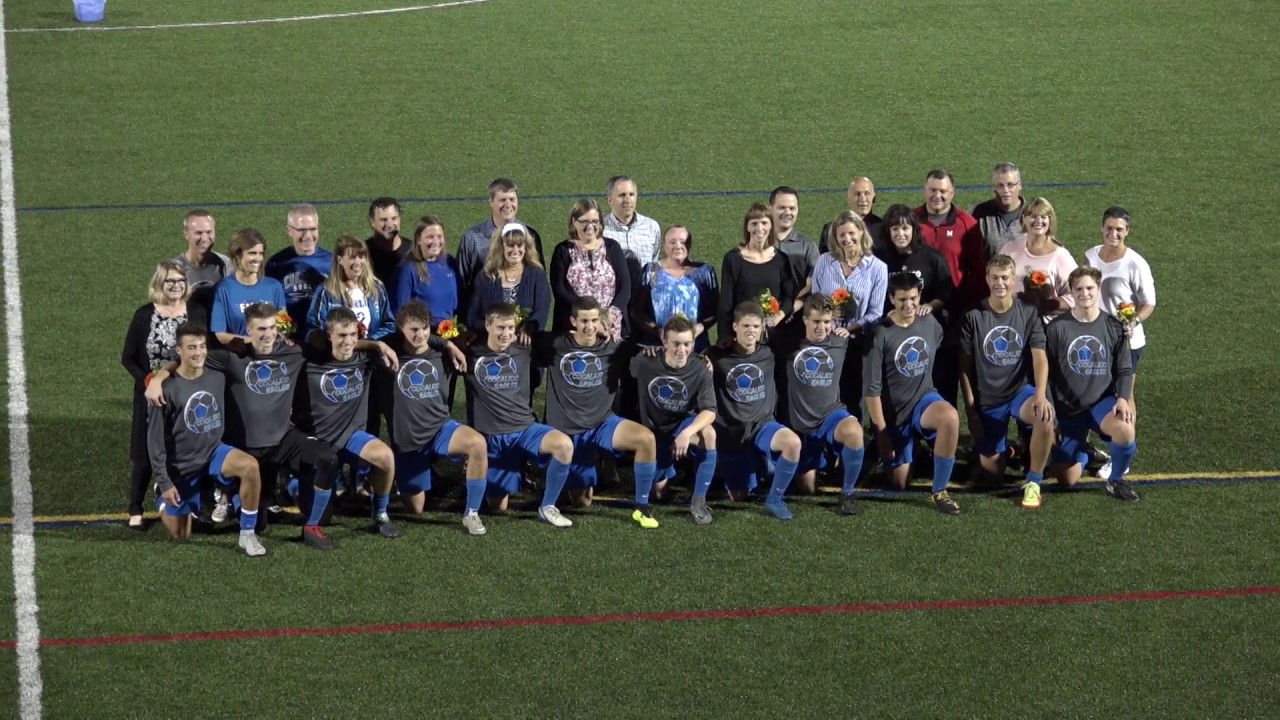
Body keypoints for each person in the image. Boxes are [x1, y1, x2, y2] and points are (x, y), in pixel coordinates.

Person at [149, 303, 341, 549]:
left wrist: (378, 344)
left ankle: (311, 525)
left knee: (328, 459)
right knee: (246, 524)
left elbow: (339, 348)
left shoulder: (293, 352)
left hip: (282, 440)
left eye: (272, 328)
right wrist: (159, 377)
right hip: (246, 446)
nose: (267, 334)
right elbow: (189, 359)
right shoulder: (231, 358)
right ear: (247, 330)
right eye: (260, 329)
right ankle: (226, 491)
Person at [532, 297, 660, 528]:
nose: (589, 327)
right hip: (567, 433)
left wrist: (702, 359)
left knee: (646, 439)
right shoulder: (554, 343)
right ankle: (558, 486)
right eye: (584, 321)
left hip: (602, 425)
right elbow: (517, 340)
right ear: (573, 321)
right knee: (582, 502)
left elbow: (656, 351)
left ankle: (642, 507)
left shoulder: (614, 347)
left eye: (593, 320)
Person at [145, 322, 266, 555]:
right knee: (181, 535)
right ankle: (163, 496)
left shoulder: (217, 375)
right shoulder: (165, 391)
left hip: (213, 453)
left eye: (202, 346)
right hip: (182, 466)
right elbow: (154, 441)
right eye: (191, 347)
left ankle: (247, 535)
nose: (198, 352)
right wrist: (165, 480)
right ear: (178, 351)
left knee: (250, 467)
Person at [458, 302, 575, 527]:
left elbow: (565, 342)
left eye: (511, 328)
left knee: (564, 446)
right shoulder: (470, 352)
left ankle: (548, 506)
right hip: (491, 437)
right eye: (501, 328)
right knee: (498, 507)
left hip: (524, 430)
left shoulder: (526, 348)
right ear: (488, 326)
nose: (506, 333)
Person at [379, 301, 489, 535]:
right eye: (414, 330)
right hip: (409, 442)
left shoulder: (442, 354)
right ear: (401, 329)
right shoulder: (388, 357)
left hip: (440, 429)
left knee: (477, 444)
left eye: (425, 328)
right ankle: (406, 478)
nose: (420, 335)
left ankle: (472, 513)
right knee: (416, 509)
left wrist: (449, 345)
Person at [958, 255, 1055, 510]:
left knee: (1044, 417)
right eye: (994, 278)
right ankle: (1012, 451)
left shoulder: (1028, 312)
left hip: (1019, 392)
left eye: (1004, 278)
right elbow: (964, 369)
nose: (999, 283)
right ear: (987, 279)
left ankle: (1033, 482)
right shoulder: (972, 316)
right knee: (992, 476)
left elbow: (1039, 358)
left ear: (1014, 281)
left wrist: (1041, 395)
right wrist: (971, 411)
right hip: (988, 398)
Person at [294, 307, 402, 537]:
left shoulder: (366, 357)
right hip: (320, 444)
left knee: (385, 457)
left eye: (353, 334)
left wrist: (377, 344)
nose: (349, 341)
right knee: (321, 517)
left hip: (352, 436)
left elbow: (409, 336)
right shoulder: (309, 359)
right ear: (329, 335)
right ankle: (294, 485)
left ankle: (380, 515)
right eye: (342, 335)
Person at [864, 272, 962, 515]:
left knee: (949, 417)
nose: (908, 305)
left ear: (920, 297)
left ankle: (940, 491)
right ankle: (893, 448)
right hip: (895, 414)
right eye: (902, 300)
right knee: (898, 483)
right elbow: (872, 390)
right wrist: (883, 434)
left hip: (924, 401)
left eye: (913, 298)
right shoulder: (880, 334)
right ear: (891, 300)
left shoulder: (930, 323)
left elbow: (937, 346)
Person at [1044, 267, 1139, 501]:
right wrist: (1052, 415)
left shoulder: (1114, 326)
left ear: (1098, 289)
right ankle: (1086, 451)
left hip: (1100, 404)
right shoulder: (1056, 328)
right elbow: (1045, 375)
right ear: (1072, 292)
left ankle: (1116, 480)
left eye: (1089, 288)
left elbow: (1124, 369)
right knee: (1067, 480)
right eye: (1079, 289)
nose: (1084, 293)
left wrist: (1122, 399)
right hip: (1067, 409)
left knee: (1125, 429)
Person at [121, 262, 201, 529]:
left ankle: (193, 499)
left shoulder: (196, 311)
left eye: (180, 280)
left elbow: (202, 349)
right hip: (151, 392)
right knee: (146, 449)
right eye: (169, 281)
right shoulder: (144, 315)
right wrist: (149, 381)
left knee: (187, 443)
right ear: (159, 284)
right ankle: (135, 507)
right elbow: (128, 358)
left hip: (186, 388)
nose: (176, 285)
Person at [707, 302, 803, 519]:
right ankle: (754, 466)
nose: (751, 331)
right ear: (734, 327)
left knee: (793, 443)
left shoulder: (770, 353)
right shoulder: (716, 356)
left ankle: (774, 500)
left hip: (762, 426)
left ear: (762, 328)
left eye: (756, 326)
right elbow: (688, 363)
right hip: (732, 434)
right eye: (746, 326)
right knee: (739, 496)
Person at [778, 295, 866, 513]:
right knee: (807, 490)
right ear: (805, 320)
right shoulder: (788, 344)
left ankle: (847, 494)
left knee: (854, 432)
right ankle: (825, 461)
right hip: (801, 425)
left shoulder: (840, 341)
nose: (822, 327)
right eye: (816, 321)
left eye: (827, 322)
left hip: (830, 416)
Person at [630, 316, 719, 523]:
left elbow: (710, 411)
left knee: (709, 434)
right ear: (664, 340)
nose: (682, 350)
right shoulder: (645, 361)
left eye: (687, 344)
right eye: (676, 344)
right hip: (653, 435)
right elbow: (626, 365)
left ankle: (698, 503)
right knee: (659, 495)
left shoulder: (700, 368)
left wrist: (686, 433)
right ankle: (666, 474)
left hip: (680, 427)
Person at [809, 210, 888, 411]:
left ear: (861, 232)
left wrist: (851, 329)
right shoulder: (825, 261)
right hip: (826, 340)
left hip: (858, 345)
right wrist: (829, 320)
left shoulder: (878, 268)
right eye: (841, 235)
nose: (847, 239)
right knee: (823, 397)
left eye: (851, 233)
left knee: (852, 399)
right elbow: (815, 300)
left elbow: (876, 312)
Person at [1085, 206, 1156, 412]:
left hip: (1126, 340)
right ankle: (1086, 441)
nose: (1113, 234)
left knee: (1124, 394)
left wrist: (1134, 321)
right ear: (1102, 228)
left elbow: (1149, 302)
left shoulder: (1136, 263)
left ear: (1127, 231)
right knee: (1091, 390)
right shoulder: (1090, 256)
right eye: (1109, 228)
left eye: (1119, 229)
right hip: (1096, 336)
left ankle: (1127, 442)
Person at [457, 178, 546, 311]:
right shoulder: (472, 237)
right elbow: (462, 281)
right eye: (502, 200)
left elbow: (539, 279)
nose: (508, 204)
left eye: (512, 199)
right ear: (491, 201)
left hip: (523, 320)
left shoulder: (531, 235)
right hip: (484, 318)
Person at [549, 199, 631, 338]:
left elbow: (625, 287)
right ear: (574, 222)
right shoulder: (562, 250)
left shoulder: (612, 247)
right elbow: (559, 290)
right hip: (574, 326)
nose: (590, 226)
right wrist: (588, 315)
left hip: (610, 325)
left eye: (595, 221)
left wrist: (609, 315)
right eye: (584, 222)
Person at [718, 203, 797, 341]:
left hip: (774, 336)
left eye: (764, 223)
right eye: (754, 223)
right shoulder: (733, 259)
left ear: (771, 226)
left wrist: (779, 315)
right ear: (747, 227)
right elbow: (726, 303)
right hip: (743, 337)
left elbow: (789, 296)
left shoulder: (781, 259)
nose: (759, 228)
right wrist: (726, 337)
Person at [913, 169, 988, 314]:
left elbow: (978, 268)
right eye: (932, 190)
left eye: (943, 191)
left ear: (952, 193)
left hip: (956, 305)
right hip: (917, 305)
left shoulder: (967, 224)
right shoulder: (910, 220)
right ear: (924, 190)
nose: (937, 196)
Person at [631, 225, 718, 351]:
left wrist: (699, 328)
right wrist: (656, 330)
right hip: (657, 347)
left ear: (689, 244)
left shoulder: (704, 272)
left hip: (695, 347)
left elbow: (715, 310)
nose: (678, 246)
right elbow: (637, 310)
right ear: (664, 245)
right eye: (672, 242)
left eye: (683, 242)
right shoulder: (651, 271)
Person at [466, 222, 552, 334]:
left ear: (526, 248)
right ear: (501, 247)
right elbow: (473, 318)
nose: (515, 250)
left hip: (526, 342)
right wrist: (495, 328)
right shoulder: (485, 277)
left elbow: (541, 312)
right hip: (491, 342)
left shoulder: (537, 275)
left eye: (520, 245)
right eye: (510, 245)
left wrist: (528, 330)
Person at [1002, 197, 1077, 320]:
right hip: (1012, 321)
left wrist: (1044, 305)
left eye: (1043, 217)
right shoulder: (1009, 249)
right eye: (1032, 216)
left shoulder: (1060, 255)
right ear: (1023, 219)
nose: (1038, 221)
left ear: (1050, 220)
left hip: (1046, 326)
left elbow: (1077, 295)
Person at [307, 235, 395, 340]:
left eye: (361, 257)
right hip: (338, 352)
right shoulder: (327, 290)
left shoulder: (376, 287)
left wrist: (370, 342)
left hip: (371, 351)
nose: (358, 262)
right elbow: (315, 328)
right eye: (352, 258)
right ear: (340, 260)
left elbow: (389, 324)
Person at [210, 228, 288, 346]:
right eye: (252, 253)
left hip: (270, 351)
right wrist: (254, 341)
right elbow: (220, 334)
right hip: (240, 354)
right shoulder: (223, 289)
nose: (258, 259)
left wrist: (280, 335)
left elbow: (284, 325)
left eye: (260, 253)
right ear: (237, 255)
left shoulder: (274, 286)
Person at [265, 203, 331, 339]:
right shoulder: (276, 263)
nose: (308, 236)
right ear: (289, 231)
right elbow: (269, 301)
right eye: (301, 230)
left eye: (313, 229)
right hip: (287, 336)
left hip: (323, 336)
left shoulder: (332, 261)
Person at [390, 214, 460, 323]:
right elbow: (400, 314)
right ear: (418, 239)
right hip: (424, 334)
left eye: (439, 236)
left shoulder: (449, 262)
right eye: (430, 237)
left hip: (452, 331)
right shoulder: (407, 270)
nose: (436, 242)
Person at [602, 175, 662, 286]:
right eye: (622, 195)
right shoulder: (601, 230)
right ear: (609, 200)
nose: (627, 200)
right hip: (614, 297)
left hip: (644, 295)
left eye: (631, 194)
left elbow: (653, 262)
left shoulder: (651, 226)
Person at [171, 209, 228, 318]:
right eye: (199, 233)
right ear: (186, 234)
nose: (205, 238)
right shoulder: (173, 269)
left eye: (209, 232)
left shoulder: (225, 264)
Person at [770, 186, 819, 300]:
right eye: (782, 208)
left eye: (792, 208)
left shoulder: (807, 246)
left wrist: (790, 308)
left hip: (798, 314)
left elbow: (813, 284)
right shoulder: (759, 244)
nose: (787, 213)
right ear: (770, 208)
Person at [971, 162, 1027, 257]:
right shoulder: (980, 213)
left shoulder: (1033, 212)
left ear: (1019, 185)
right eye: (1000, 186)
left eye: (1010, 185)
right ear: (994, 187)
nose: (1005, 190)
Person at [820, 177, 882, 253]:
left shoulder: (884, 229)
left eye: (867, 194)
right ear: (849, 197)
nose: (862, 199)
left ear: (874, 197)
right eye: (857, 194)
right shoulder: (830, 229)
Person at [366, 197, 412, 286]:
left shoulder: (413, 251)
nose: (390, 225)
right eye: (384, 220)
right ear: (372, 222)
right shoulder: (362, 252)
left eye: (394, 218)